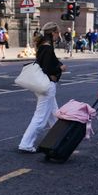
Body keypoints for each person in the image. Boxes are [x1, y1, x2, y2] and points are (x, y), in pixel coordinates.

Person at [18, 22, 64, 153]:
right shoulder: (48, 47)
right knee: (40, 118)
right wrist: (59, 69)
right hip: (47, 85)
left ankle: (58, 139)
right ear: (53, 33)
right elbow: (48, 67)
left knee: (54, 115)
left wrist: (58, 65)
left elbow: (47, 62)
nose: (58, 35)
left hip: (43, 85)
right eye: (58, 33)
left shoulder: (43, 45)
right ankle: (26, 143)